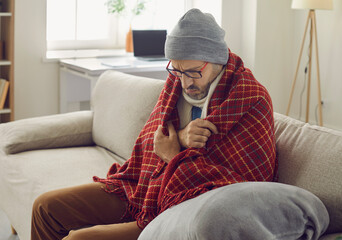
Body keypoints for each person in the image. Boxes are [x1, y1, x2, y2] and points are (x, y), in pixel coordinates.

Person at [31, 8, 278, 240]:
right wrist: (181, 138)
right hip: (145, 188)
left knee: (79, 238)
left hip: (183, 210)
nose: (184, 82)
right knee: (45, 207)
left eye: (192, 72)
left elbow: (239, 192)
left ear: (217, 60)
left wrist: (173, 157)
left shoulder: (251, 100)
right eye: (177, 70)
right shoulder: (176, 84)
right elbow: (151, 143)